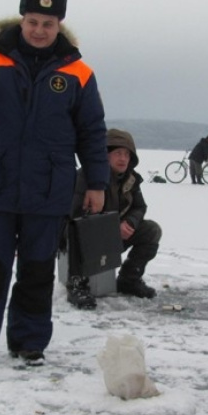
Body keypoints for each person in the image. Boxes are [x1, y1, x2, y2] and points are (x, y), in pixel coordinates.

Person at [0, 0, 109, 366]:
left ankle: (28, 342)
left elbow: (92, 132)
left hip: (48, 192)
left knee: (36, 271)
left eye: (48, 24)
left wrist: (97, 183)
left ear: (59, 26)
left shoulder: (78, 72)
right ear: (22, 20)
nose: (39, 30)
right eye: (33, 21)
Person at [66, 129, 163, 309]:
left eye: (127, 154)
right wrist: (111, 228)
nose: (123, 158)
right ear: (106, 154)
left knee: (151, 230)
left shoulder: (131, 179)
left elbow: (139, 207)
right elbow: (75, 214)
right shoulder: (87, 176)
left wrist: (130, 222)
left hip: (113, 237)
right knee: (75, 230)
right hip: (86, 238)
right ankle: (77, 284)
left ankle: (129, 279)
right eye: (118, 153)